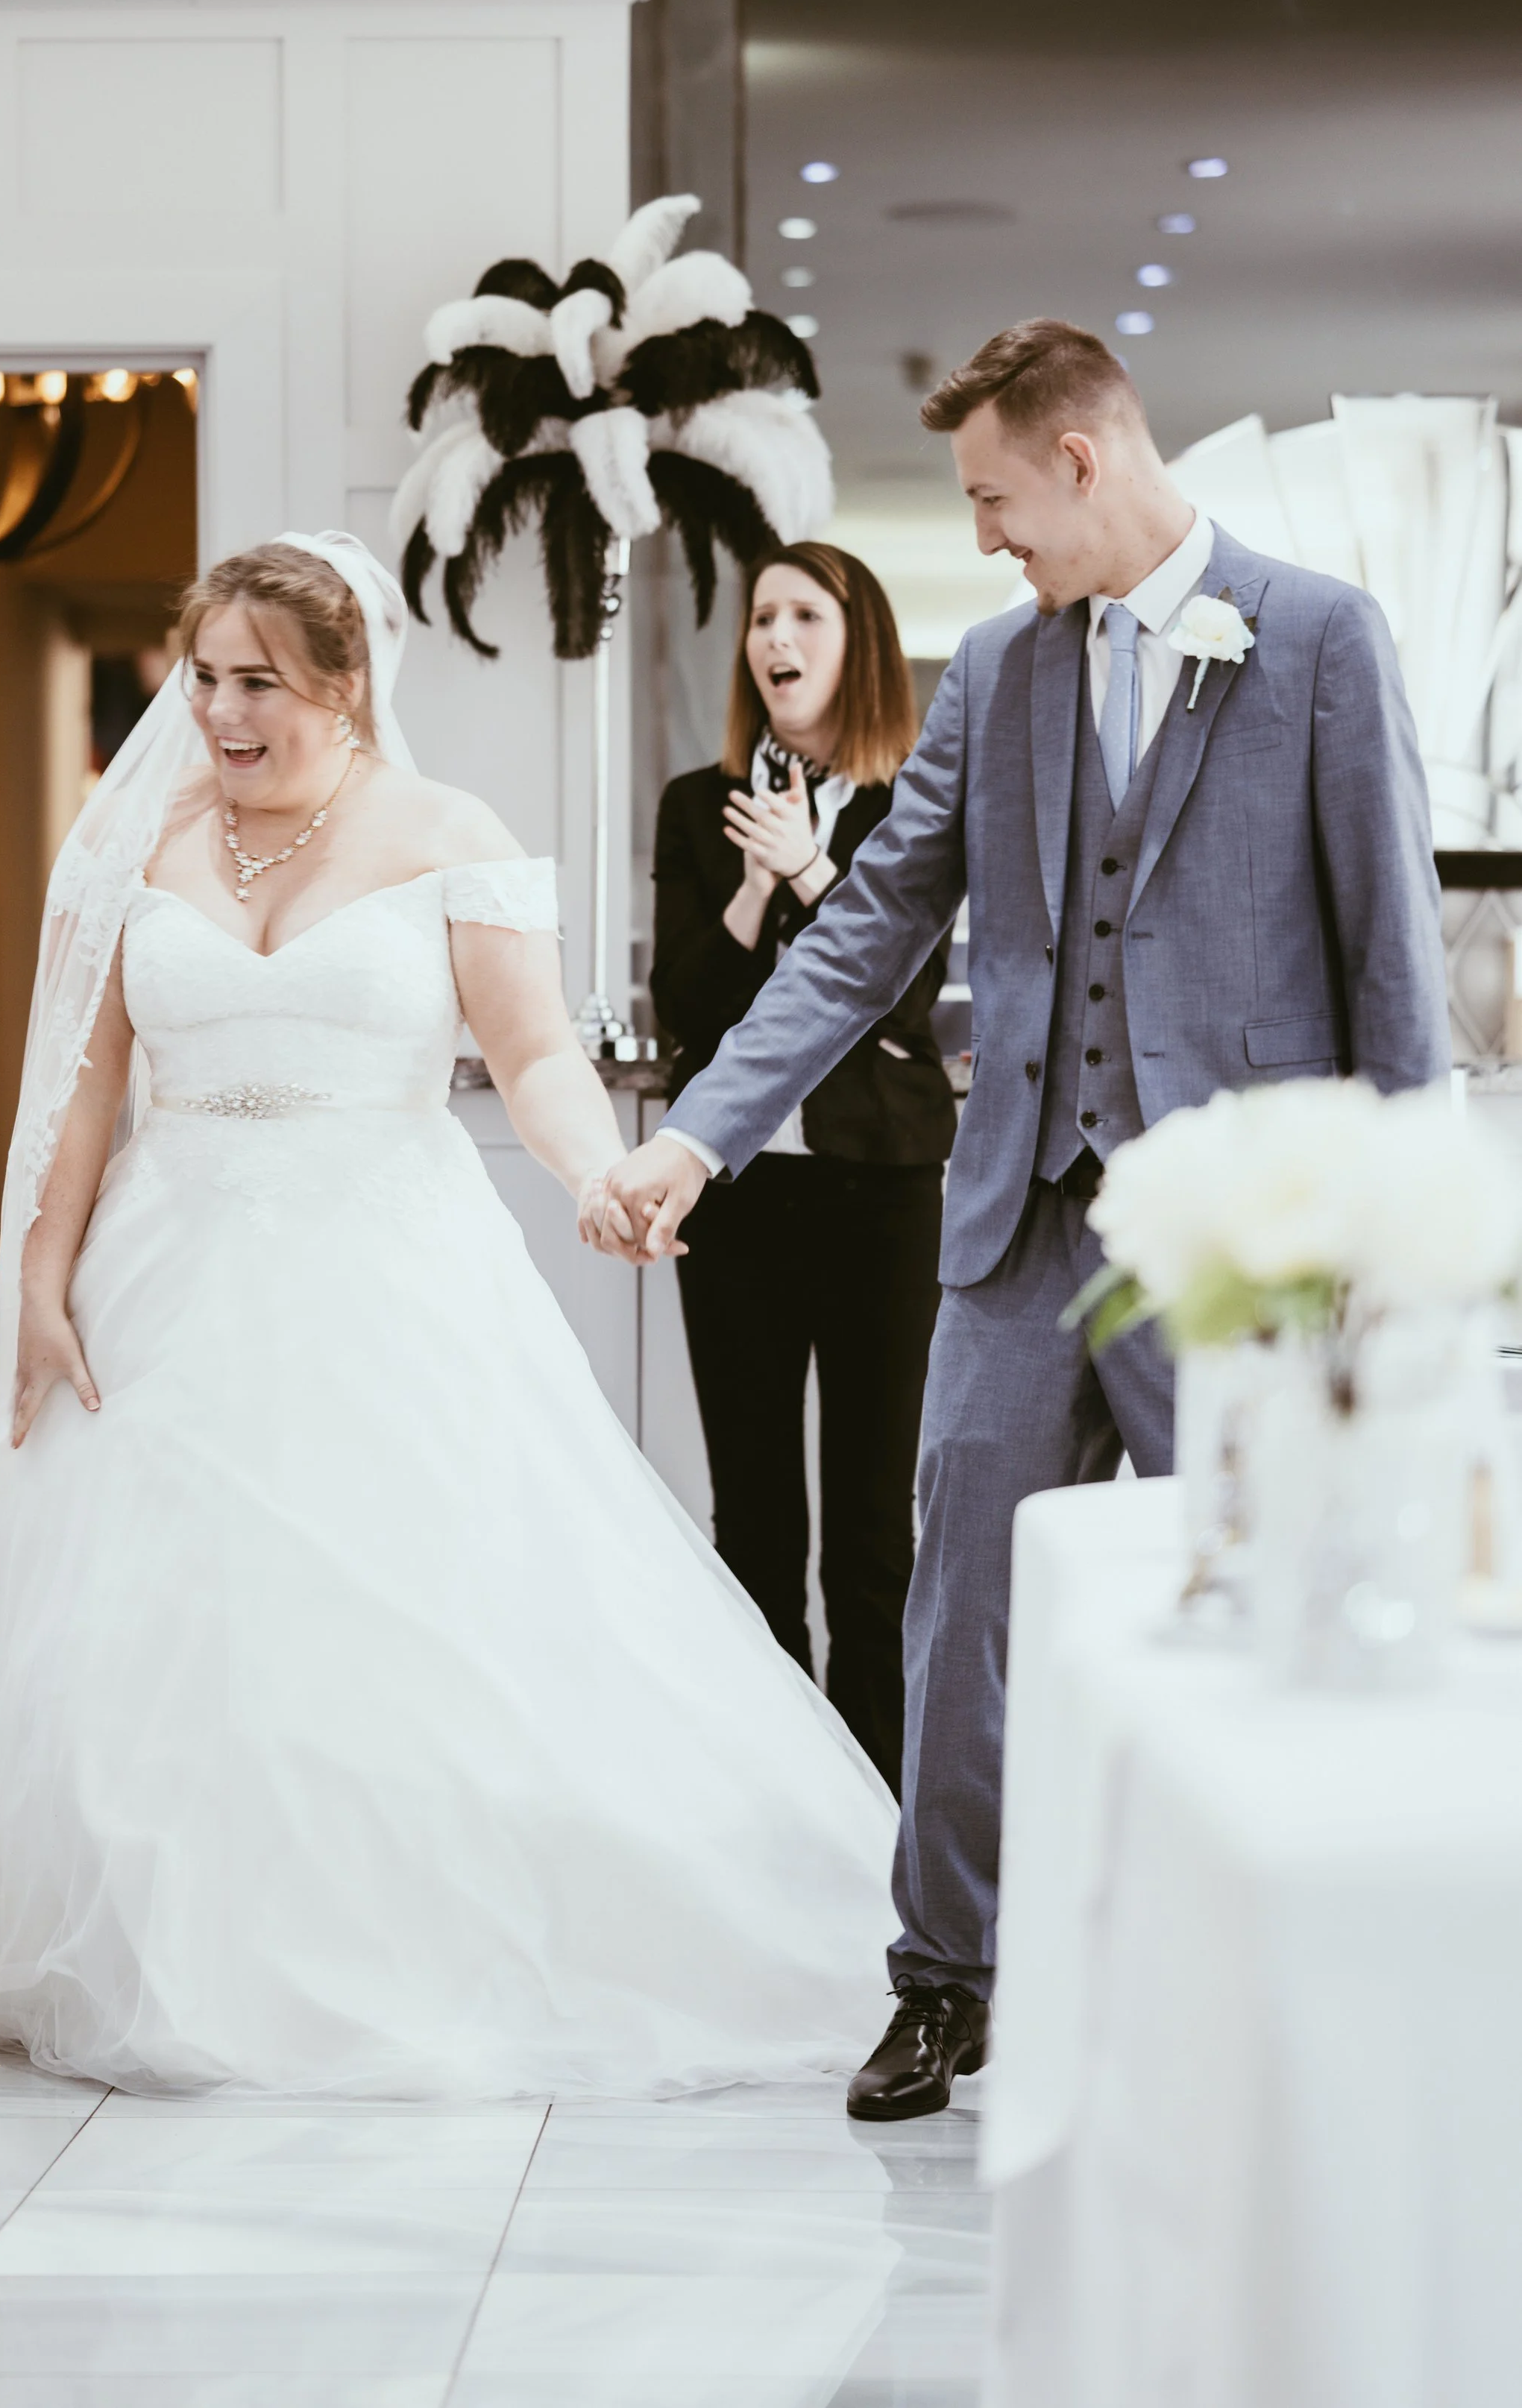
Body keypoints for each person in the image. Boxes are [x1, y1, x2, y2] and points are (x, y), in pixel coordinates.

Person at [0, 535, 896, 2097]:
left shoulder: (447, 835)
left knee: (401, 1608)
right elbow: (80, 1088)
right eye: (206, 679)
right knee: (164, 1624)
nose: (221, 713)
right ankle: (169, 1946)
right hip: (162, 1275)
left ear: (345, 685)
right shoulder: (139, 841)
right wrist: (40, 1285)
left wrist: (599, 1176)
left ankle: (397, 1947)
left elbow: (533, 1055)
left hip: (386, 1264)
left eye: (259, 684)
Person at [588, 320, 1451, 2120]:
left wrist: (1395, 1245)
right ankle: (943, 1980)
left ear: (1077, 458)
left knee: (1251, 1594)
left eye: (990, 499)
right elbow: (867, 932)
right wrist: (701, 1138)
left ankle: (1257, 1976)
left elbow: (1389, 956)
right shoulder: (996, 668)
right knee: (956, 1606)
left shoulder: (1315, 638)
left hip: (1236, 1246)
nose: (980, 536)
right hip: (1016, 1227)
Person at [652, 543, 953, 1795]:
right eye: (761, 617)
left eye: (804, 615)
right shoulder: (698, 804)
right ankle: (772, 1796)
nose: (774, 636)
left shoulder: (911, 804)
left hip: (882, 1192)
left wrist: (821, 871)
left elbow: (911, 1002)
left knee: (875, 1530)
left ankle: (877, 1803)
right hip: (738, 1201)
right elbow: (688, 1007)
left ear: (855, 640)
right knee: (755, 1521)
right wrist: (751, 886)